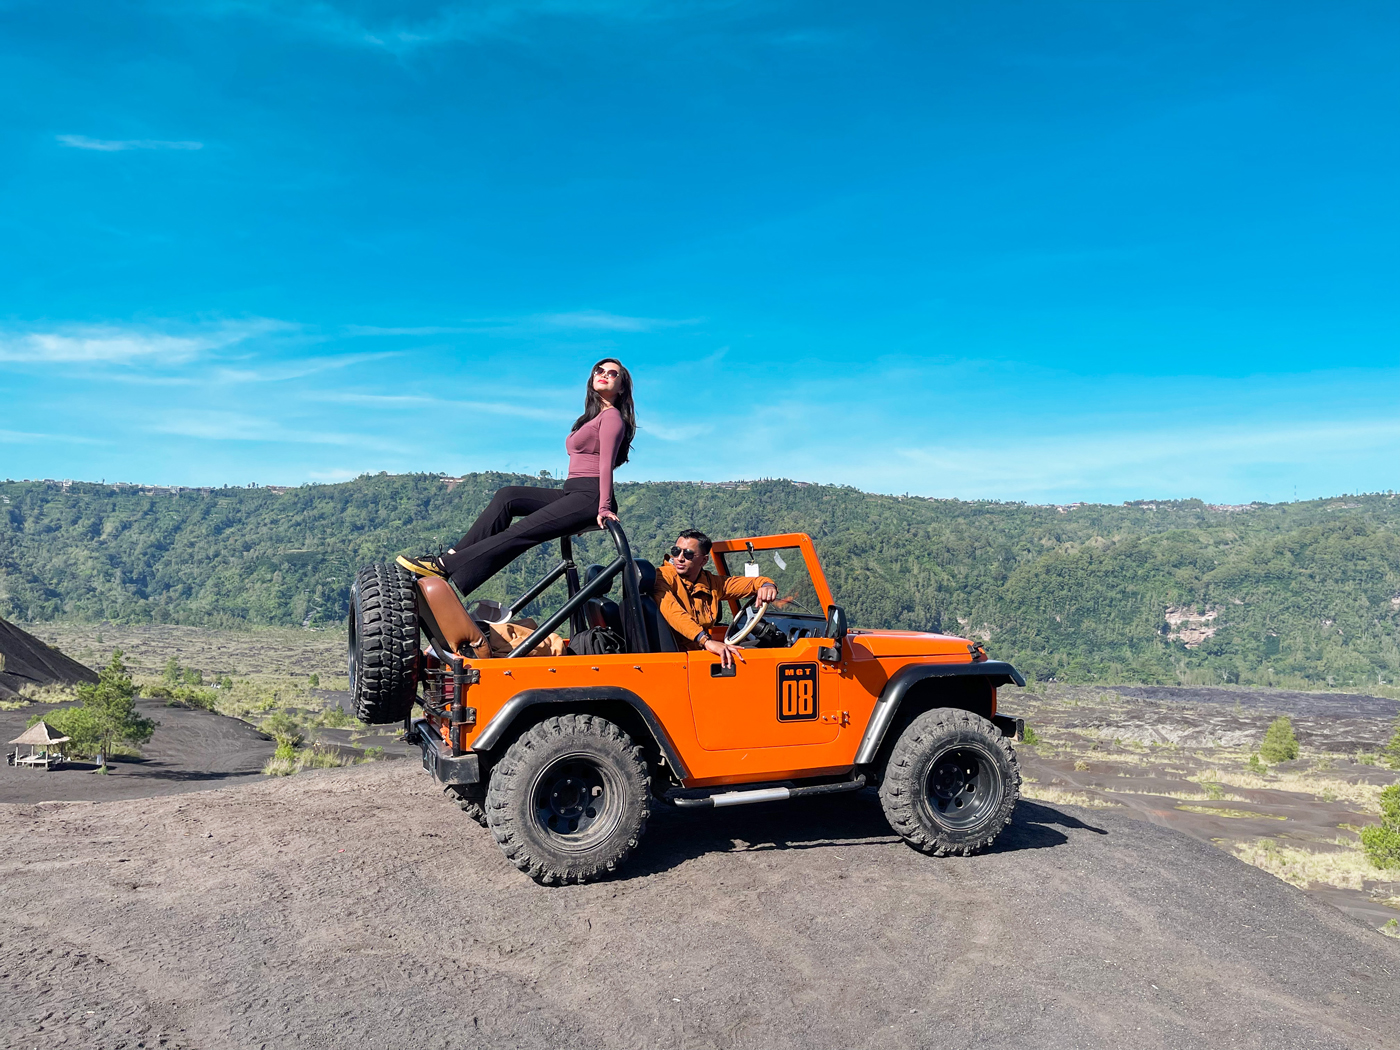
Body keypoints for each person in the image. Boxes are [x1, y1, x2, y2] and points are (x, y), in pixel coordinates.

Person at [397, 359, 636, 597]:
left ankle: (442, 568)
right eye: (599, 370)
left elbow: (605, 464)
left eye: (612, 373)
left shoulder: (612, 417)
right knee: (508, 496)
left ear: (622, 387)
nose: (603, 374)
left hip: (590, 495)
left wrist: (602, 508)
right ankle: (450, 556)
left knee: (520, 532)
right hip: (573, 492)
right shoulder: (592, 417)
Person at [654, 529, 778, 667]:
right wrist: (705, 640)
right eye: (676, 551)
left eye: (688, 554)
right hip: (679, 658)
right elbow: (672, 612)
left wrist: (767, 585)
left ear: (704, 560)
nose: (680, 558)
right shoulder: (663, 577)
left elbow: (744, 584)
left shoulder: (709, 582)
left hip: (698, 653)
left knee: (753, 650)